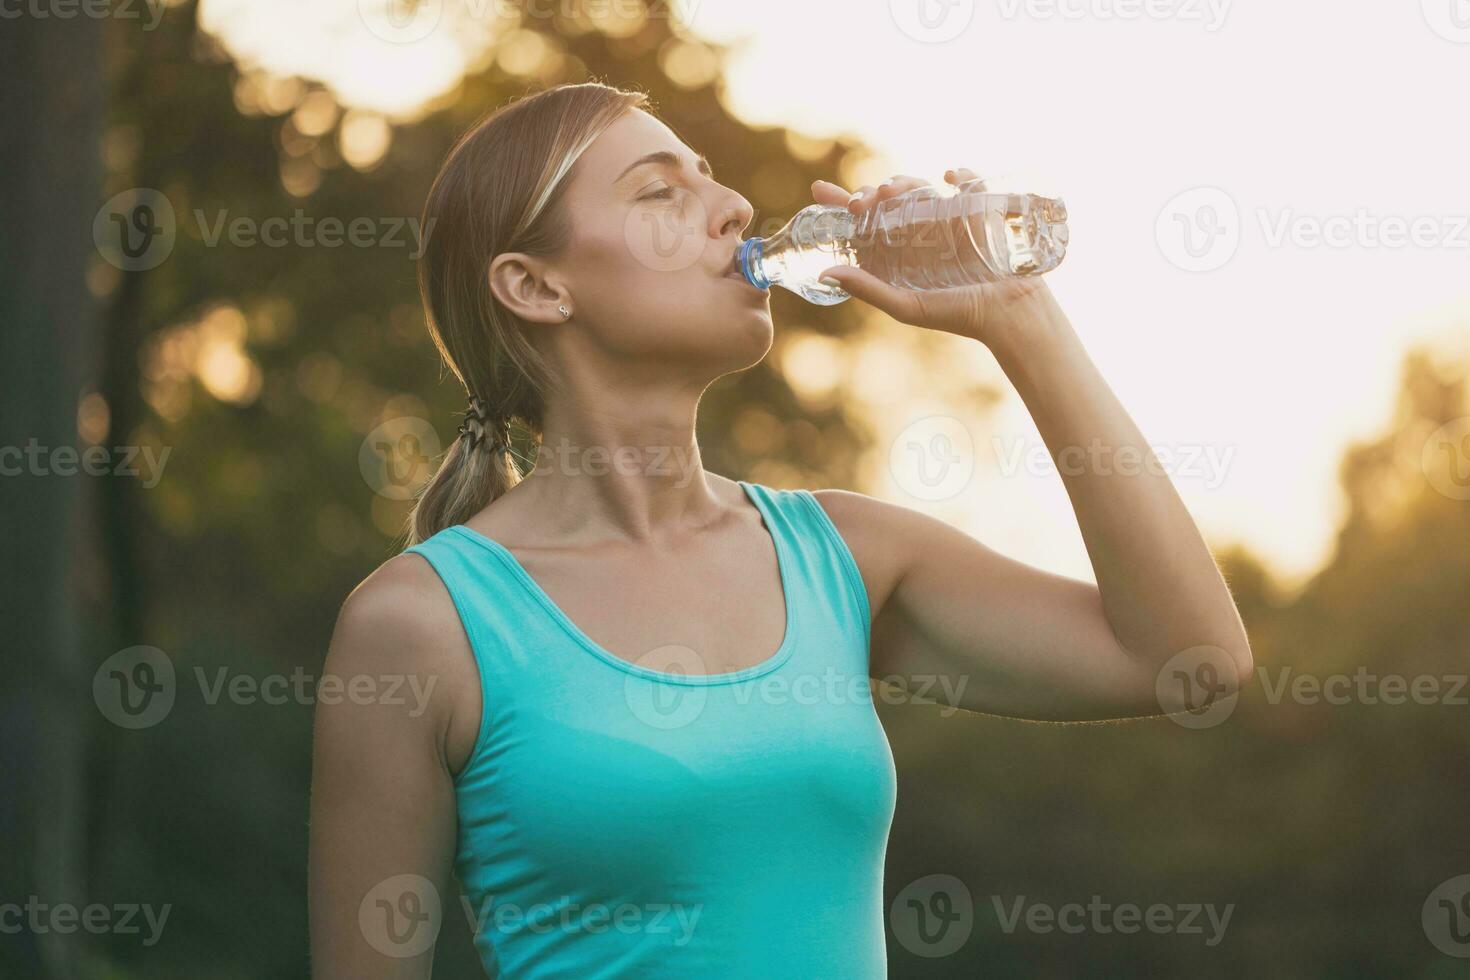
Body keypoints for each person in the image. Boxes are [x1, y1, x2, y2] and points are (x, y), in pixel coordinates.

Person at [308, 81, 1252, 979]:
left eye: (711, 176)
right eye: (660, 192)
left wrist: (1023, 319)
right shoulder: (420, 625)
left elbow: (1191, 660)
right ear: (536, 285)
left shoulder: (845, 558)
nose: (730, 209)